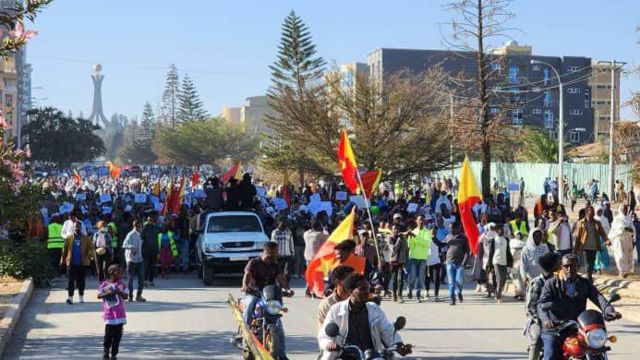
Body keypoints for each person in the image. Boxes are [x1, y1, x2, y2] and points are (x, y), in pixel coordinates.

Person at [538, 254, 619, 360]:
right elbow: (541, 304)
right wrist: (546, 319)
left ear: (578, 267)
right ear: (561, 267)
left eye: (573, 266)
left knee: (596, 350)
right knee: (551, 355)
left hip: (577, 328)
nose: (569, 269)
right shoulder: (552, 283)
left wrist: (609, 310)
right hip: (555, 329)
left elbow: (598, 296)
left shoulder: (584, 283)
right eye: (566, 266)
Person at [318, 273, 411, 360]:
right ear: (350, 290)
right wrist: (329, 344)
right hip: (344, 355)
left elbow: (388, 331)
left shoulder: (374, 309)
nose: (367, 292)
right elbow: (324, 335)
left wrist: (399, 345)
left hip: (372, 356)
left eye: (368, 288)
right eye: (362, 289)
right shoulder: (336, 310)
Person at [241, 242, 290, 325]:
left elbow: (281, 278)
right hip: (253, 292)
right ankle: (246, 328)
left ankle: (277, 327)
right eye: (276, 251)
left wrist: (288, 289)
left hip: (268, 293)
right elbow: (247, 274)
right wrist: (245, 286)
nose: (278, 254)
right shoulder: (254, 262)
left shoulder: (275, 265)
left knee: (276, 307)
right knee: (249, 305)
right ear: (268, 251)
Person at [524, 252, 559, 360]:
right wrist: (543, 320)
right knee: (537, 337)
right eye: (557, 264)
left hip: (557, 319)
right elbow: (531, 307)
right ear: (552, 266)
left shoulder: (558, 281)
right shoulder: (537, 283)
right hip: (537, 320)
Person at [98, 264, 128, 360]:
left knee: (118, 335)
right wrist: (108, 293)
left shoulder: (121, 284)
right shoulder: (104, 284)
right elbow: (99, 295)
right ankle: (106, 350)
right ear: (112, 273)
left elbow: (126, 296)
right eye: (118, 271)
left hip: (119, 314)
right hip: (109, 314)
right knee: (108, 335)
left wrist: (118, 292)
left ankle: (114, 354)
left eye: (121, 271)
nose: (121, 274)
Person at [574, 205, 609, 283]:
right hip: (585, 248)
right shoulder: (581, 223)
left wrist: (607, 240)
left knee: (591, 265)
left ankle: (589, 280)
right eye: (591, 211)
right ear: (587, 212)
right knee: (588, 266)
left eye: (593, 211)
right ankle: (589, 283)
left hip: (594, 247)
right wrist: (575, 249)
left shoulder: (597, 223)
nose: (593, 213)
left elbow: (602, 233)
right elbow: (578, 237)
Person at [61, 221, 92, 305]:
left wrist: (89, 254)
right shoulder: (69, 238)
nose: (76, 228)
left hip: (82, 263)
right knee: (71, 281)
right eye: (75, 227)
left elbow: (90, 248)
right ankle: (70, 298)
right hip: (71, 263)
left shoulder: (85, 238)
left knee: (81, 281)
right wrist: (62, 259)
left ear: (81, 227)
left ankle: (81, 296)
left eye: (78, 227)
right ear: (73, 228)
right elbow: (65, 250)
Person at [406, 215, 431, 302]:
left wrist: (415, 237)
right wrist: (410, 238)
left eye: (422, 220)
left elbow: (426, 244)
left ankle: (418, 294)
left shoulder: (427, 232)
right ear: (416, 221)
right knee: (412, 276)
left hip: (423, 258)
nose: (421, 221)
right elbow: (411, 246)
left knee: (421, 277)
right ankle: (410, 289)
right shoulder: (413, 231)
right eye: (419, 220)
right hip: (413, 257)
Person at [609, 205, 636, 278]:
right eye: (624, 209)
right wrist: (626, 229)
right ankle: (621, 270)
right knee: (620, 255)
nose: (625, 210)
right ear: (621, 209)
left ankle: (625, 272)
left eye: (626, 209)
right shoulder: (617, 218)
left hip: (627, 240)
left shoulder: (629, 218)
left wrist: (630, 230)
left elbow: (632, 228)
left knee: (627, 256)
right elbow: (618, 228)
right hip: (619, 239)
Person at [445, 225, 469, 305]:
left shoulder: (463, 238)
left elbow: (467, 251)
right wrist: (434, 238)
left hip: (460, 264)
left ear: (458, 228)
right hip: (449, 262)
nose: (451, 229)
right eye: (450, 227)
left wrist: (464, 262)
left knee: (459, 281)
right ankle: (452, 298)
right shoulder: (448, 236)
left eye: (453, 227)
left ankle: (459, 292)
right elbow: (442, 245)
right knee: (451, 282)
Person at [122, 220, 145, 302]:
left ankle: (139, 296)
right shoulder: (131, 234)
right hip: (131, 260)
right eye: (137, 226)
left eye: (140, 226)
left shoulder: (140, 234)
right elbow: (124, 244)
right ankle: (130, 296)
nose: (139, 228)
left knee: (142, 279)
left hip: (140, 259)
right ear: (134, 226)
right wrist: (132, 247)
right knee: (130, 279)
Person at [489, 227, 512, 303]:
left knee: (504, 279)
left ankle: (497, 292)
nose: (501, 231)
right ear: (497, 231)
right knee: (500, 279)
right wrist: (490, 266)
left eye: (502, 230)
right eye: (500, 230)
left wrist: (510, 263)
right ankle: (498, 296)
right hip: (496, 261)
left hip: (504, 262)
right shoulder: (493, 240)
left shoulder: (506, 240)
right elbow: (491, 253)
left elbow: (508, 252)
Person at [140, 214, 160, 287]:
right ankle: (145, 280)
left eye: (151, 220)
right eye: (149, 220)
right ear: (147, 220)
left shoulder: (156, 228)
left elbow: (163, 230)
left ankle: (151, 281)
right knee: (146, 266)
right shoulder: (145, 228)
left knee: (152, 266)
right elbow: (141, 238)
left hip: (154, 250)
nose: (150, 221)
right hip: (146, 250)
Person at [509, 231, 526, 301]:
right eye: (517, 234)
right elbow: (511, 254)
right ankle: (517, 293)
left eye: (520, 234)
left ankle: (521, 293)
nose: (519, 236)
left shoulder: (524, 243)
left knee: (520, 279)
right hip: (514, 263)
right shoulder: (512, 242)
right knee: (515, 278)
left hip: (520, 263)